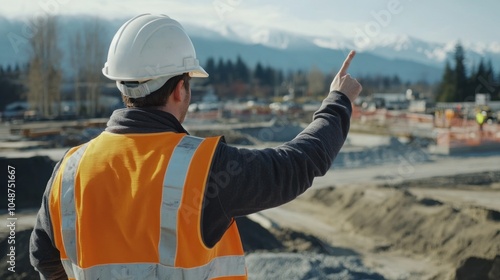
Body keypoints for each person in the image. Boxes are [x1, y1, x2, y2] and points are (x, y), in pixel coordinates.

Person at [29, 14, 362, 280]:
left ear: (123, 87)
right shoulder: (203, 170)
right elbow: (297, 164)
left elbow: (43, 257)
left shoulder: (70, 169)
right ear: (179, 89)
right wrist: (338, 102)